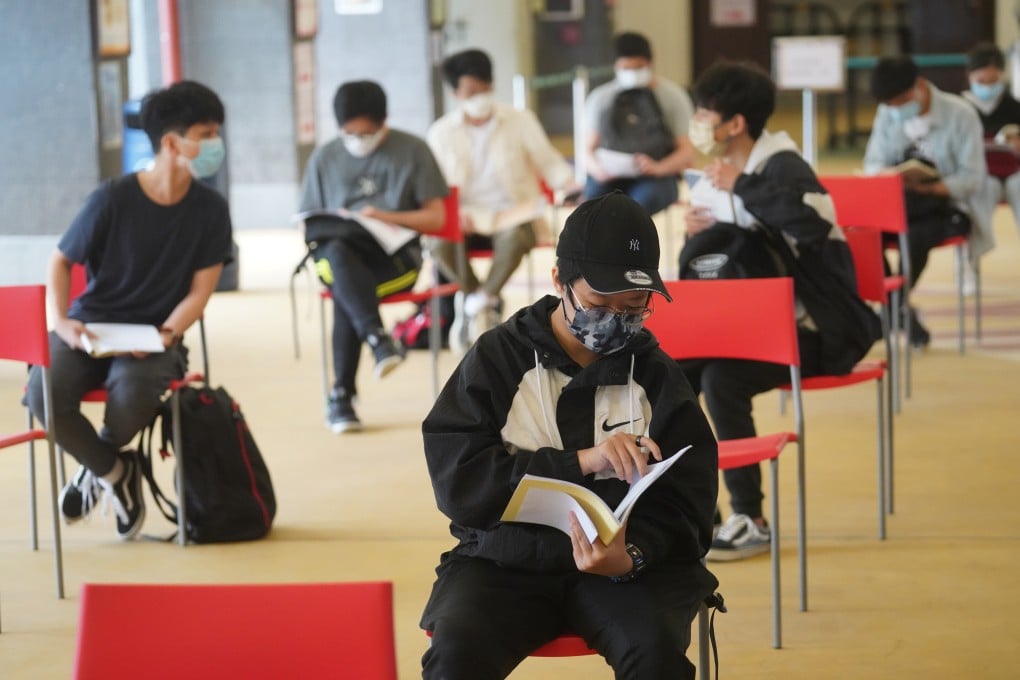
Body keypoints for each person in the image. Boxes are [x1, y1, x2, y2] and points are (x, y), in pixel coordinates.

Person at [419, 191, 719, 680]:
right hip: (504, 562)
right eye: (599, 304)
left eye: (634, 306)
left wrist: (631, 556)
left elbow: (691, 503)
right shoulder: (497, 359)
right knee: (455, 653)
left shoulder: (656, 375)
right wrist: (584, 461)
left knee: (656, 651)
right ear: (559, 280)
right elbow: (459, 480)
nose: (616, 321)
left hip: (621, 571)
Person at [25, 80, 233, 540]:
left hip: (157, 335)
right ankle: (117, 470)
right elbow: (60, 261)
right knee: (43, 393)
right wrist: (62, 322)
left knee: (131, 395)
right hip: (89, 327)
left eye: (217, 132)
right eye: (206, 133)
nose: (215, 143)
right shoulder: (112, 198)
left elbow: (200, 292)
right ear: (171, 143)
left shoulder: (211, 211)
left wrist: (167, 333)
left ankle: (96, 465)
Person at [679, 60, 863, 561]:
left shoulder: (783, 167)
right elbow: (706, 269)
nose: (697, 123)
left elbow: (815, 225)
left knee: (722, 380)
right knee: (670, 374)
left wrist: (743, 185)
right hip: (741, 328)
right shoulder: (713, 176)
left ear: (734, 123)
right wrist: (694, 235)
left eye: (704, 113)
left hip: (816, 331)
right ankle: (692, 509)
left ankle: (750, 519)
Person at [298, 80, 448, 433]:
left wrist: (384, 217)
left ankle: (342, 395)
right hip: (338, 258)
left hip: (395, 262)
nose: (358, 140)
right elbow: (309, 221)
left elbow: (437, 218)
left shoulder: (413, 150)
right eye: (350, 134)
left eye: (366, 134)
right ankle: (377, 340)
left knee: (347, 288)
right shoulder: (325, 158)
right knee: (340, 256)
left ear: (384, 122)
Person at [427, 48, 578, 350]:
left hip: (513, 211)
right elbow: (433, 186)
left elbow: (548, 161)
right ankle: (482, 299)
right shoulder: (441, 133)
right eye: (471, 92)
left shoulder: (520, 120)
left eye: (485, 89)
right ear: (455, 93)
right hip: (466, 215)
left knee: (517, 236)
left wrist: (570, 186)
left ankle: (476, 302)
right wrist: (451, 212)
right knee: (437, 244)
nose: (480, 97)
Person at [863, 55, 989, 348]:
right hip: (899, 203)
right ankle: (898, 309)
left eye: (901, 101)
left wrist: (929, 187)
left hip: (945, 206)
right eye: (889, 105)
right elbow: (872, 163)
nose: (896, 109)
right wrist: (887, 175)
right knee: (864, 234)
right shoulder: (888, 113)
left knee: (915, 236)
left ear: (919, 85)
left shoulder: (961, 115)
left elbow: (973, 179)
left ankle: (890, 311)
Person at [582, 31, 694, 217]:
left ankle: (629, 237)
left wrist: (658, 168)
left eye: (639, 67)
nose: (633, 73)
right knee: (594, 206)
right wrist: (599, 170)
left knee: (637, 208)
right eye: (626, 68)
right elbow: (588, 150)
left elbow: (687, 151)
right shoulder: (601, 98)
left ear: (651, 62)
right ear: (616, 66)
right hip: (610, 175)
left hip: (657, 175)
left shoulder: (673, 97)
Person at [963, 42, 1020, 240]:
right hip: (979, 174)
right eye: (981, 81)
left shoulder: (1013, 107)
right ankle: (975, 250)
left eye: (993, 80)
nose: (987, 87)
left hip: (1014, 172)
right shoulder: (961, 109)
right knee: (981, 190)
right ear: (970, 76)